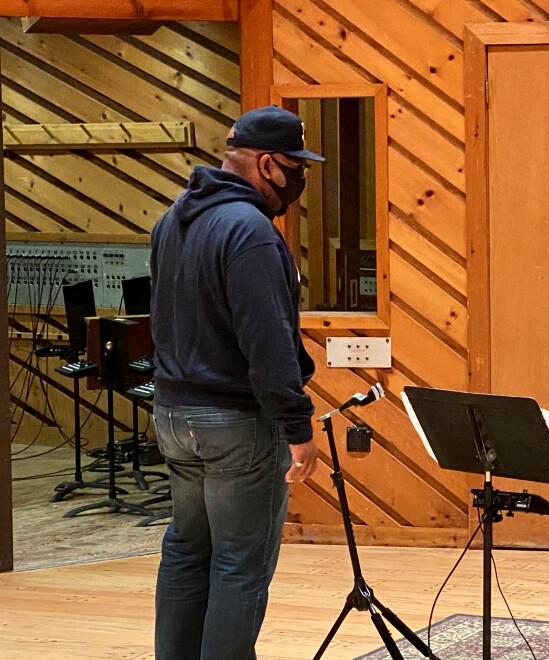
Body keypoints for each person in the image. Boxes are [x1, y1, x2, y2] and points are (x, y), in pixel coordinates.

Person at [150, 105, 324, 660]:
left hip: (173, 415)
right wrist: (298, 425)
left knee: (185, 551)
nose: (301, 178)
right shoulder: (250, 231)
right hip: (236, 425)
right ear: (270, 164)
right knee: (238, 565)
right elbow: (267, 341)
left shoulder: (172, 218)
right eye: (298, 166)